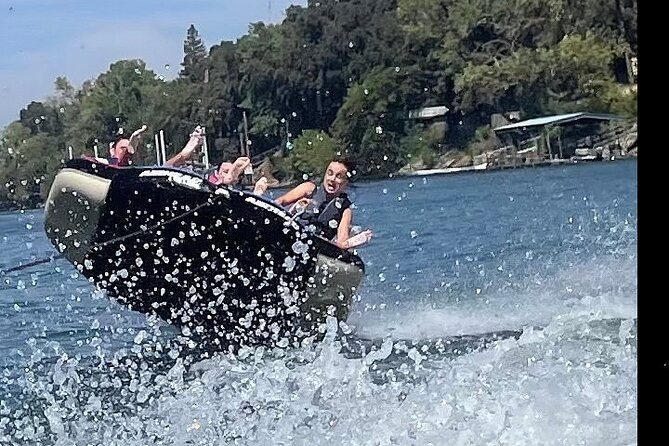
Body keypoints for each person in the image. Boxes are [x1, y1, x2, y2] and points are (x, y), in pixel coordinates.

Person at [274, 159, 373, 249]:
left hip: (312, 247)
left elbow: (341, 243)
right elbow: (280, 202)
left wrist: (356, 241)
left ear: (345, 182)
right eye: (330, 173)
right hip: (289, 236)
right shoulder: (309, 189)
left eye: (338, 176)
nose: (332, 179)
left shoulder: (345, 210)